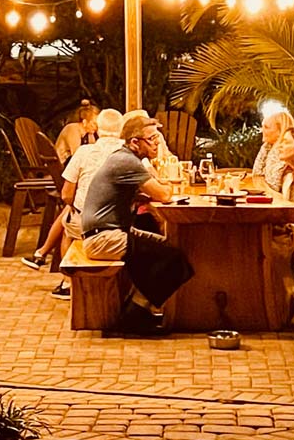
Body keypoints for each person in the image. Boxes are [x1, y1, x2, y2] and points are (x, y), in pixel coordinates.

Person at [79, 114, 194, 334]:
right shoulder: (126, 162)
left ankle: (139, 309)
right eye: (151, 139)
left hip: (108, 233)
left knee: (171, 248)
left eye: (157, 137)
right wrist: (164, 185)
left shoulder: (124, 159)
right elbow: (163, 194)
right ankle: (134, 316)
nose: (157, 142)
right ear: (134, 142)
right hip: (102, 239)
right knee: (172, 258)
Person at [21, 108, 124, 300]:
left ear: (98, 129)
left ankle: (66, 281)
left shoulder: (85, 152)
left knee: (71, 218)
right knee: (72, 214)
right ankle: (45, 257)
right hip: (119, 224)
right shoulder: (129, 154)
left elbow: (66, 194)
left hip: (84, 222)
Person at [251, 109, 294, 192]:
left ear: (280, 131)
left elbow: (273, 184)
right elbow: (256, 173)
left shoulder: (285, 152)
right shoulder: (267, 147)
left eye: (266, 127)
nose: (262, 130)